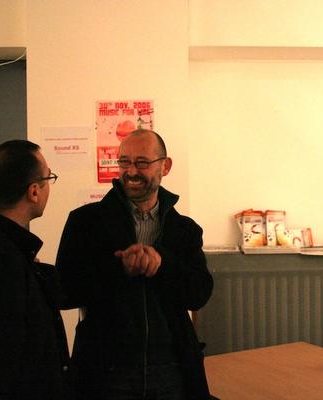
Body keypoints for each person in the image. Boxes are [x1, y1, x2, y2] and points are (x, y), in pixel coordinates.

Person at [56, 129, 214, 400]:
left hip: (172, 369)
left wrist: (162, 265)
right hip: (106, 371)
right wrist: (119, 269)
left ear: (165, 166)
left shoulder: (185, 229)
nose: (131, 171)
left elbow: (198, 294)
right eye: (124, 162)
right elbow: (64, 291)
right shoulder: (85, 222)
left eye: (142, 162)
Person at [0, 140, 69, 399]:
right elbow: (3, 358)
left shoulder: (8, 251)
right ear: (33, 191)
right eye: (48, 178)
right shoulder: (2, 259)